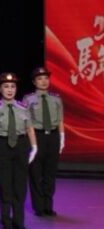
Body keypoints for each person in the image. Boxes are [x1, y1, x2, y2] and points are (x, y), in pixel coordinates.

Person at [0, 72, 38, 229]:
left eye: (13, 86)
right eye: (6, 86)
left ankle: (19, 222)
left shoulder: (23, 107)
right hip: (2, 145)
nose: (10, 90)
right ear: (0, 89)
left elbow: (30, 128)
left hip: (21, 145)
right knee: (5, 185)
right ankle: (6, 222)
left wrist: (34, 147)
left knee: (20, 186)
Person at [24, 67, 65, 217]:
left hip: (52, 137)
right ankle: (38, 207)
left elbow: (60, 120)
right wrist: (31, 143)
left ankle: (49, 205)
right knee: (36, 173)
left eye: (46, 78)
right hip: (37, 136)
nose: (43, 81)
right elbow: (27, 123)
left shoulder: (56, 99)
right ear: (34, 82)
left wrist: (62, 138)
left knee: (50, 173)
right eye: (40, 79)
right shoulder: (29, 99)